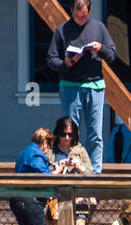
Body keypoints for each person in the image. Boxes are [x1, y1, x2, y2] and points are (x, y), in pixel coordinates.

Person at [46, 0, 116, 174]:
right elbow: (51, 59)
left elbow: (113, 54)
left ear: (89, 11)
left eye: (83, 16)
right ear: (71, 11)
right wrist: (66, 63)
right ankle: (72, 170)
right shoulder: (62, 30)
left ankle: (94, 173)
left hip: (95, 85)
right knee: (70, 132)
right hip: (70, 85)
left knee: (95, 133)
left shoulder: (98, 28)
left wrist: (100, 49)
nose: (80, 19)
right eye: (76, 16)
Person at [0, 128, 53, 225]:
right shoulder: (36, 153)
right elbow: (46, 177)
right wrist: (58, 171)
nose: (49, 149)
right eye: (49, 145)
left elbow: (36, 170)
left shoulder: (25, 152)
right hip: (30, 200)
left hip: (19, 200)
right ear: (44, 142)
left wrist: (53, 166)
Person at [49, 115, 94, 225]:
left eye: (70, 134)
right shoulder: (51, 152)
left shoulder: (80, 151)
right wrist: (59, 168)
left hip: (80, 198)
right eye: (63, 134)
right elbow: (45, 174)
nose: (67, 138)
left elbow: (91, 173)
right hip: (58, 200)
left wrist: (79, 166)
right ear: (57, 134)